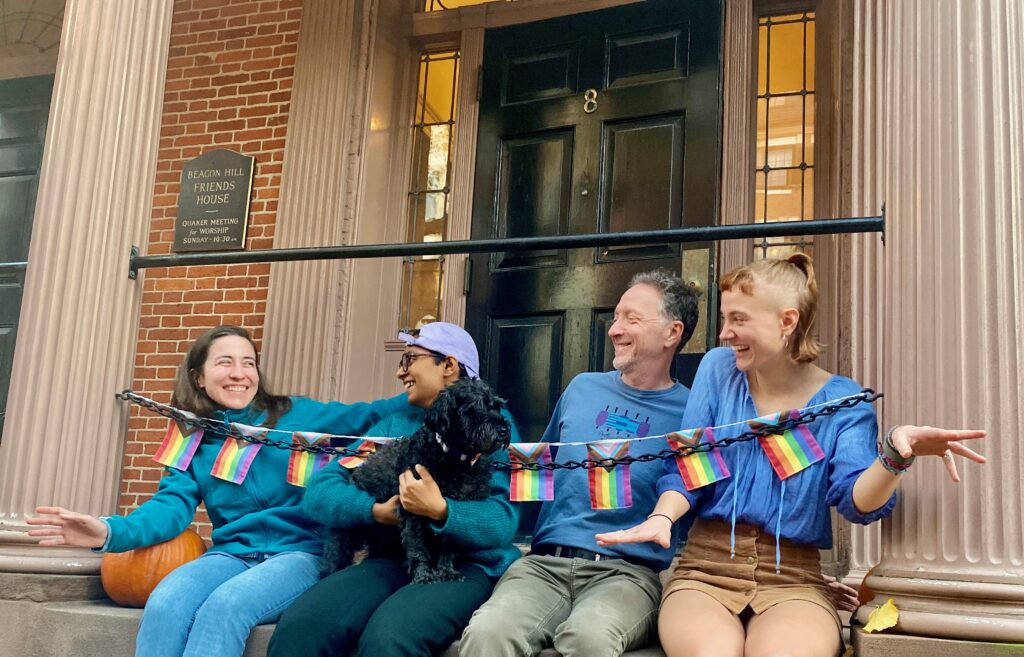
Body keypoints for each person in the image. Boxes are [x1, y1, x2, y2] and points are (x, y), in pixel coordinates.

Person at [596, 254, 987, 657]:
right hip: (705, 570)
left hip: (793, 579)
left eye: (739, 319)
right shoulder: (718, 370)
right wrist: (662, 518)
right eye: (725, 318)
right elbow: (689, 467)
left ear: (787, 322)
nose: (725, 333)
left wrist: (895, 454)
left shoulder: (844, 402)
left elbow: (855, 501)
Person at [26, 325, 408, 657]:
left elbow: (372, 414)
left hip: (301, 554)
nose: (239, 374)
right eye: (225, 362)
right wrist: (108, 533)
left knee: (226, 607)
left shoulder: (296, 415)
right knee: (164, 603)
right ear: (198, 376)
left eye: (248, 363)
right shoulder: (191, 435)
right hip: (232, 554)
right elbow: (170, 507)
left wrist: (438, 386)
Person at [459, 270, 699, 657]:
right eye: (616, 317)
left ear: (673, 333)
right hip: (543, 566)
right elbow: (538, 467)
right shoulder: (582, 387)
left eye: (631, 319)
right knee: (488, 633)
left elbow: (694, 486)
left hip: (627, 573)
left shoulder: (692, 410)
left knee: (588, 639)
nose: (614, 329)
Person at [267, 322, 523, 657]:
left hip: (465, 566)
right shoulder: (393, 425)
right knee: (304, 625)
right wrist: (376, 511)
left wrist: (441, 510)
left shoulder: (492, 426)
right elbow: (320, 491)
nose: (401, 372)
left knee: (389, 639)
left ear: (448, 365)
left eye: (410, 359)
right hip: (392, 560)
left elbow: (503, 521)